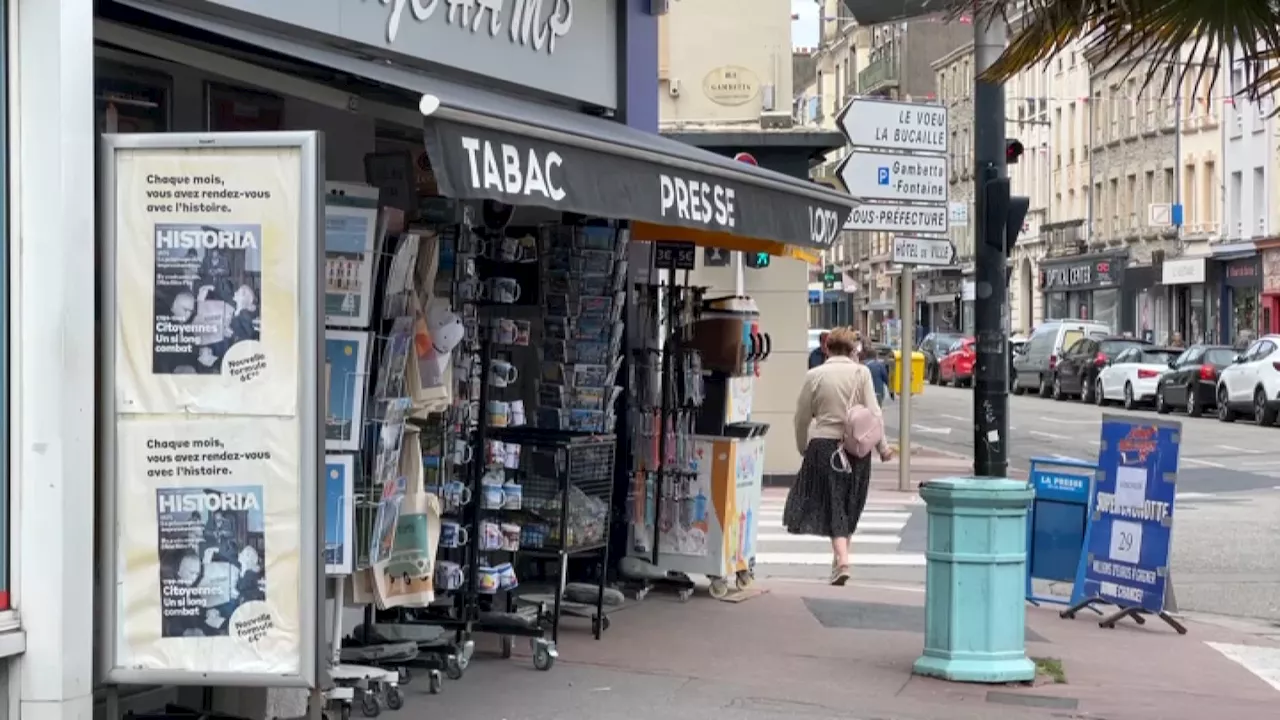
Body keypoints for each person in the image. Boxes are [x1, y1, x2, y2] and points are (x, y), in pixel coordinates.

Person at [784, 327, 895, 586]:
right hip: (856, 448)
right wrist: (883, 448)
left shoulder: (815, 375)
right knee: (848, 503)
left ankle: (842, 560)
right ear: (853, 350)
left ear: (827, 348)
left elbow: (801, 418)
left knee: (833, 503)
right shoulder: (861, 373)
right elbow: (874, 414)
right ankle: (841, 558)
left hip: (823, 446)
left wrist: (803, 447)